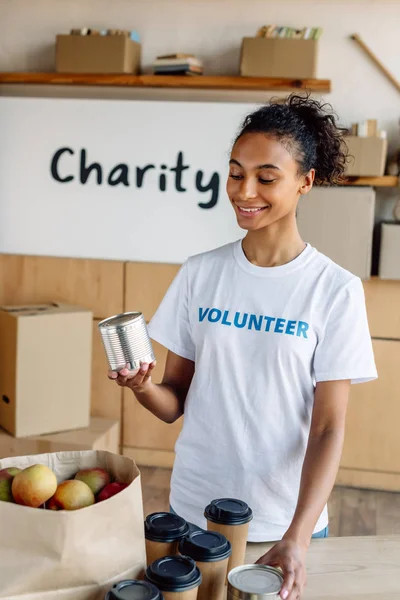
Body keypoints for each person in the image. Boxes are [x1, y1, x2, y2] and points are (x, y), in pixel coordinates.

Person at [109, 94, 377, 600]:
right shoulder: (200, 273)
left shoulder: (334, 289)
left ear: (306, 181)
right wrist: (142, 389)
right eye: (235, 173)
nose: (244, 190)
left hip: (281, 524)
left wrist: (299, 534)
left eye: (266, 177)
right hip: (193, 512)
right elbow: (173, 403)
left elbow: (328, 427)